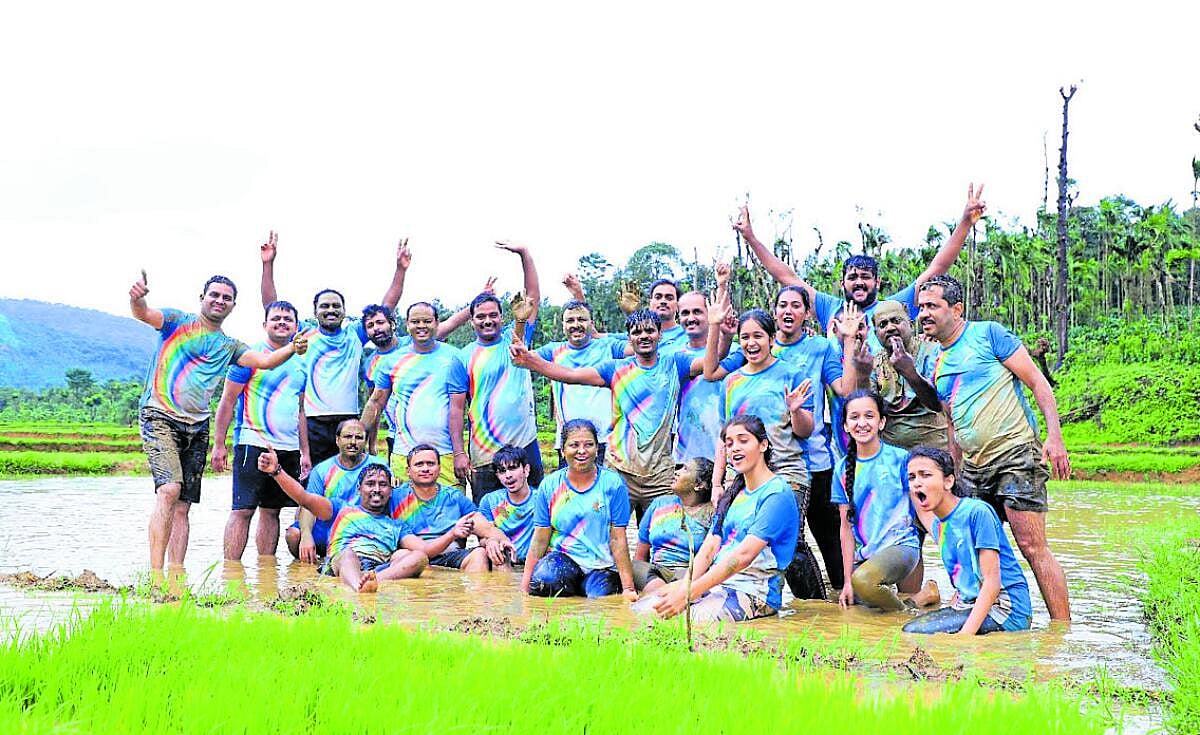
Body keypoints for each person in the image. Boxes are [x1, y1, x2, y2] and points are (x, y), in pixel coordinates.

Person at [917, 274, 1071, 621]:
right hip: (972, 465)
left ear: (956, 309)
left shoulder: (988, 335)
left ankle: (1062, 633)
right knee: (977, 547)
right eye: (922, 307)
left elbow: (1037, 382)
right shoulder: (933, 360)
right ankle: (994, 618)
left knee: (1032, 546)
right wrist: (953, 474)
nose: (924, 313)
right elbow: (952, 421)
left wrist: (1054, 437)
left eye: (932, 306)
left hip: (1015, 453)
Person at [130, 271, 307, 572]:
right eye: (214, 295)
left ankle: (176, 573)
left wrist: (293, 347)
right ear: (202, 298)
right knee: (170, 490)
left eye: (226, 298)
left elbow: (264, 361)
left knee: (183, 505)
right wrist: (137, 298)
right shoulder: (177, 321)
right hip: (159, 414)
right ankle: (156, 574)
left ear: (233, 306)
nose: (219, 301)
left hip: (197, 425)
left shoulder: (230, 347)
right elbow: (144, 313)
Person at [733, 185, 986, 352]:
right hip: (841, 413)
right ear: (843, 283)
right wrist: (751, 238)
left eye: (866, 277)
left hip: (883, 414)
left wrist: (965, 222)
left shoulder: (892, 309)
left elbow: (937, 268)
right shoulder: (829, 308)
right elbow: (785, 276)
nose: (859, 283)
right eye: (852, 277)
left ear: (877, 283)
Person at [723, 275, 858, 591]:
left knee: (825, 535)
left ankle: (839, 598)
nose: (788, 310)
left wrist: (848, 342)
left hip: (813, 458)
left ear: (807, 314)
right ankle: (799, 602)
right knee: (782, 536)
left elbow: (846, 390)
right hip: (763, 462)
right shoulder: (752, 351)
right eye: (782, 304)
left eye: (796, 305)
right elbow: (716, 375)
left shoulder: (820, 348)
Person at [511, 308, 710, 521]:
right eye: (636, 332)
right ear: (629, 338)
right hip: (620, 470)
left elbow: (711, 364)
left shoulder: (674, 364)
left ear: (659, 334)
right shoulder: (615, 369)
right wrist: (531, 361)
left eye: (650, 331)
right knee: (607, 531)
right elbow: (570, 375)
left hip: (660, 474)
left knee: (662, 532)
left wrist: (719, 328)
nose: (643, 336)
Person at [702, 306, 825, 600]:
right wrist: (718, 483)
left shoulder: (791, 374)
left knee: (791, 542)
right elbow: (725, 438)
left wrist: (796, 410)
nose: (751, 343)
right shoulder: (731, 382)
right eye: (745, 337)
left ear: (772, 339)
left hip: (787, 471)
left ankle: (817, 608)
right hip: (744, 477)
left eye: (758, 336)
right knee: (741, 538)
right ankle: (756, 599)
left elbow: (805, 431)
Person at [260, 232, 410, 465]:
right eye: (325, 306)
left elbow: (387, 306)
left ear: (343, 310)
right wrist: (268, 264)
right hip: (312, 421)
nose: (330, 310)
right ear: (315, 311)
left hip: (349, 420)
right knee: (313, 483)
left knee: (350, 479)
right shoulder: (304, 334)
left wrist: (400, 270)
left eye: (336, 306)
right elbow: (272, 307)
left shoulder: (354, 334)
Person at [648, 416, 800, 623]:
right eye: (729, 444)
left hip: (755, 592)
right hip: (720, 585)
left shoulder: (777, 493)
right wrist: (685, 585)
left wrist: (689, 593)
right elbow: (710, 546)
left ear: (763, 445)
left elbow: (743, 556)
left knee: (685, 621)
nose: (735, 448)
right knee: (645, 609)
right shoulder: (734, 493)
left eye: (743, 440)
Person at [211, 300, 310, 561]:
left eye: (287, 319)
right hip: (252, 443)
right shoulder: (248, 357)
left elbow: (300, 410)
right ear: (265, 324)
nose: (281, 322)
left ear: (296, 326)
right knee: (242, 509)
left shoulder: (302, 362)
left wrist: (305, 452)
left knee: (272, 509)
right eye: (276, 318)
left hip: (288, 447)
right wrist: (219, 444)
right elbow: (227, 401)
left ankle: (265, 573)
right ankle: (231, 570)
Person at [903, 446, 1032, 635]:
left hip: (1005, 610)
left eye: (925, 475)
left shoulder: (977, 512)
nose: (917, 483)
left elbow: (991, 583)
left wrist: (965, 637)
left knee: (916, 633)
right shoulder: (940, 525)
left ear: (948, 481)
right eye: (912, 477)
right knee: (911, 628)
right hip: (971, 604)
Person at [257, 450, 428, 592]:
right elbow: (304, 498)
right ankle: (359, 587)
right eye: (370, 483)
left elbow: (424, 550)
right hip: (342, 564)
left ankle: (373, 582)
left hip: (378, 568)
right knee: (347, 554)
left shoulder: (396, 525)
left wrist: (452, 534)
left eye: (383, 484)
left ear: (391, 490)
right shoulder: (341, 509)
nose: (377, 489)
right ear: (359, 488)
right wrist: (276, 471)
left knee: (414, 556)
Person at [832, 391, 932, 611]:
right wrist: (847, 581)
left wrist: (947, 544)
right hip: (868, 554)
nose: (862, 423)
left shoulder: (901, 459)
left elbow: (923, 507)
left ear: (882, 422)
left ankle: (905, 616)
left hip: (902, 546)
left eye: (869, 416)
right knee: (861, 602)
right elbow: (845, 528)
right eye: (854, 417)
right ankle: (921, 600)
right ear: (846, 426)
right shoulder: (841, 469)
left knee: (865, 581)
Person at [459, 242, 542, 500]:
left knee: (535, 512)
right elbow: (456, 408)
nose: (487, 320)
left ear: (502, 317)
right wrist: (460, 452)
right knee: (487, 516)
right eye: (481, 316)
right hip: (485, 452)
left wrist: (524, 254)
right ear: (471, 320)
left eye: (493, 315)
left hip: (525, 445)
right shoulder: (463, 356)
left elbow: (532, 297)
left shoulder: (515, 337)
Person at [521, 420, 638, 599]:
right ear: (562, 451)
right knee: (545, 581)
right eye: (574, 445)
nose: (582, 451)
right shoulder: (549, 486)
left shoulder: (613, 484)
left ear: (597, 448)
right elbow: (540, 540)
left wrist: (629, 589)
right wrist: (525, 590)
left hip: (602, 566)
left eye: (589, 445)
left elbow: (618, 538)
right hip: (564, 561)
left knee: (598, 599)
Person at [361, 302, 469, 488]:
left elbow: (467, 404)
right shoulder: (390, 362)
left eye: (427, 321)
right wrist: (358, 434)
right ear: (406, 325)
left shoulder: (456, 357)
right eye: (415, 321)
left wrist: (461, 453)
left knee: (452, 513)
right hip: (404, 455)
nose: (421, 326)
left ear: (436, 323)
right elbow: (376, 403)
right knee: (404, 513)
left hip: (447, 454)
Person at [533, 294, 626, 468]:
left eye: (582, 319)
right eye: (570, 321)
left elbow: (641, 344)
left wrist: (631, 314)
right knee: (569, 493)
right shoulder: (554, 351)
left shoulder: (609, 346)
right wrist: (521, 323)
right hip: (569, 442)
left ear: (592, 324)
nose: (576, 325)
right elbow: (518, 357)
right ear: (563, 326)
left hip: (607, 440)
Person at [389, 444, 514, 571]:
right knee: (400, 556)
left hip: (451, 555)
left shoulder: (454, 497)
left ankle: (485, 590)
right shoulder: (395, 497)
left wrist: (497, 540)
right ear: (408, 471)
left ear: (439, 468)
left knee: (480, 554)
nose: (425, 469)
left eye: (430, 464)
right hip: (414, 557)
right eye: (419, 464)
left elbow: (486, 528)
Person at [285, 419, 386, 562]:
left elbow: (389, 499)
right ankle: (308, 571)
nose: (353, 442)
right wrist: (306, 535)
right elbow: (309, 505)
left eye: (358, 438)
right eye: (347, 437)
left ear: (365, 441)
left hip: (365, 526)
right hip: (330, 526)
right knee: (294, 534)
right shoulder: (322, 470)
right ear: (337, 440)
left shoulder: (379, 465)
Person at [855, 300, 948, 450]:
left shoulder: (934, 352)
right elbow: (869, 410)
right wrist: (862, 375)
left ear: (911, 324)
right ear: (876, 333)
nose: (890, 327)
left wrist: (910, 372)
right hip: (891, 454)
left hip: (934, 449)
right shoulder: (874, 362)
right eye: (883, 325)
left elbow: (937, 404)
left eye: (896, 321)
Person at [633, 458, 714, 593]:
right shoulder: (659, 504)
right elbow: (640, 555)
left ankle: (665, 597)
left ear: (699, 485)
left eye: (685, 469)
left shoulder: (712, 513)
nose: (677, 472)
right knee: (633, 566)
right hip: (655, 574)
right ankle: (665, 595)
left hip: (688, 574)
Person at [477, 445, 538, 569]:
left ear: (526, 470)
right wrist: (490, 541)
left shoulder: (541, 500)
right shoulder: (490, 501)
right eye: (502, 471)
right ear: (497, 475)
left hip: (534, 564)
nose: (508, 475)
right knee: (496, 552)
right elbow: (482, 537)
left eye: (513, 468)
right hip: (502, 561)